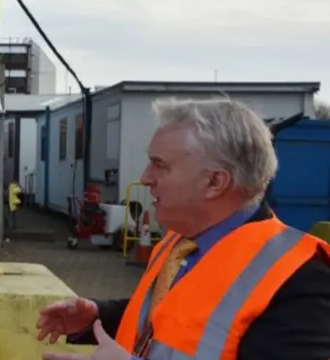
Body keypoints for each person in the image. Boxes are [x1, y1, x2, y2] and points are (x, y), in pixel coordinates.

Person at [36, 98, 330, 360]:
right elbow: (172, 322)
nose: (145, 177)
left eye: (160, 165)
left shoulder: (300, 281)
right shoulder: (180, 241)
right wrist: (98, 317)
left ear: (216, 182)